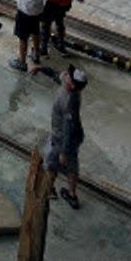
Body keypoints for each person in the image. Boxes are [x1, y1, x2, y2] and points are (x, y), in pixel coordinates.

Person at [43, 65, 87, 209]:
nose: (65, 74)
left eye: (68, 75)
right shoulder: (68, 85)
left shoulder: (70, 102)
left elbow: (69, 128)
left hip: (62, 139)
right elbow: (55, 74)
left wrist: (63, 151)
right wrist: (40, 68)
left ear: (72, 85)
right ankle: (72, 195)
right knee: (71, 166)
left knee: (51, 165)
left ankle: (49, 190)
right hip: (72, 138)